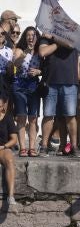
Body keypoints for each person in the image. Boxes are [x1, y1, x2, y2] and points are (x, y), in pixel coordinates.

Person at [38, 34, 80, 157]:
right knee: (48, 115)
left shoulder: (73, 33)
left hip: (69, 80)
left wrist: (54, 40)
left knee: (70, 115)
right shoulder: (46, 37)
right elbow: (42, 52)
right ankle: (44, 146)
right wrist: (57, 42)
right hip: (50, 81)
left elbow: (70, 44)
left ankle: (74, 146)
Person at [12, 27, 41, 157]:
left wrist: (39, 71)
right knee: (21, 117)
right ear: (25, 37)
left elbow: (45, 68)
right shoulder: (20, 49)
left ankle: (32, 147)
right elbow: (15, 64)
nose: (30, 37)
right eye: (28, 35)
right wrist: (25, 53)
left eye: (33, 35)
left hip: (33, 86)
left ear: (36, 38)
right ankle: (23, 148)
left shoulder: (40, 51)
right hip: (19, 86)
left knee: (33, 118)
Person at [0, 91, 18, 205]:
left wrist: (4, 146)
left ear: (3, 106)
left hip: (3, 147)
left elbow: (14, 139)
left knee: (10, 160)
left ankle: (11, 196)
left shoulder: (8, 118)